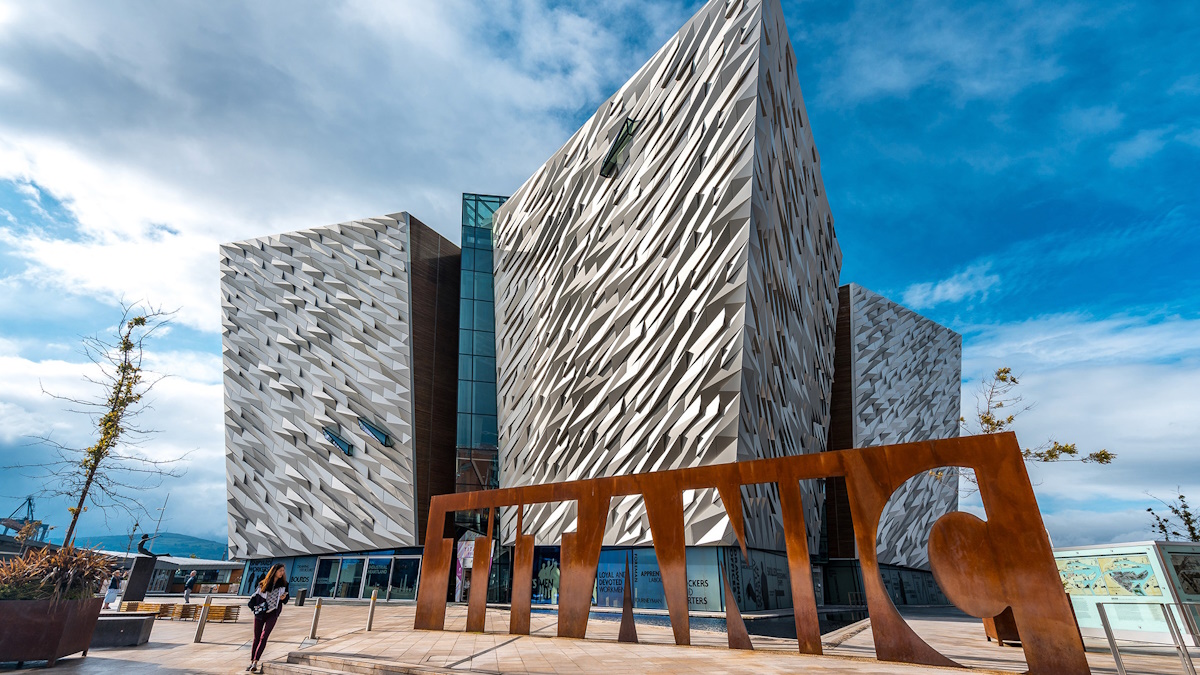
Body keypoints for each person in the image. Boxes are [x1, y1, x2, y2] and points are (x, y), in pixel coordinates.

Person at [247, 563, 289, 673]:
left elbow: (286, 600)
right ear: (274, 571)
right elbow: (254, 598)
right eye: (280, 570)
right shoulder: (263, 583)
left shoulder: (284, 584)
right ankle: (252, 661)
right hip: (261, 613)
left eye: (283, 571)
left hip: (273, 613)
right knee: (256, 637)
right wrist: (254, 609)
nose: (282, 573)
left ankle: (256, 661)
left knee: (264, 637)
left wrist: (284, 598)